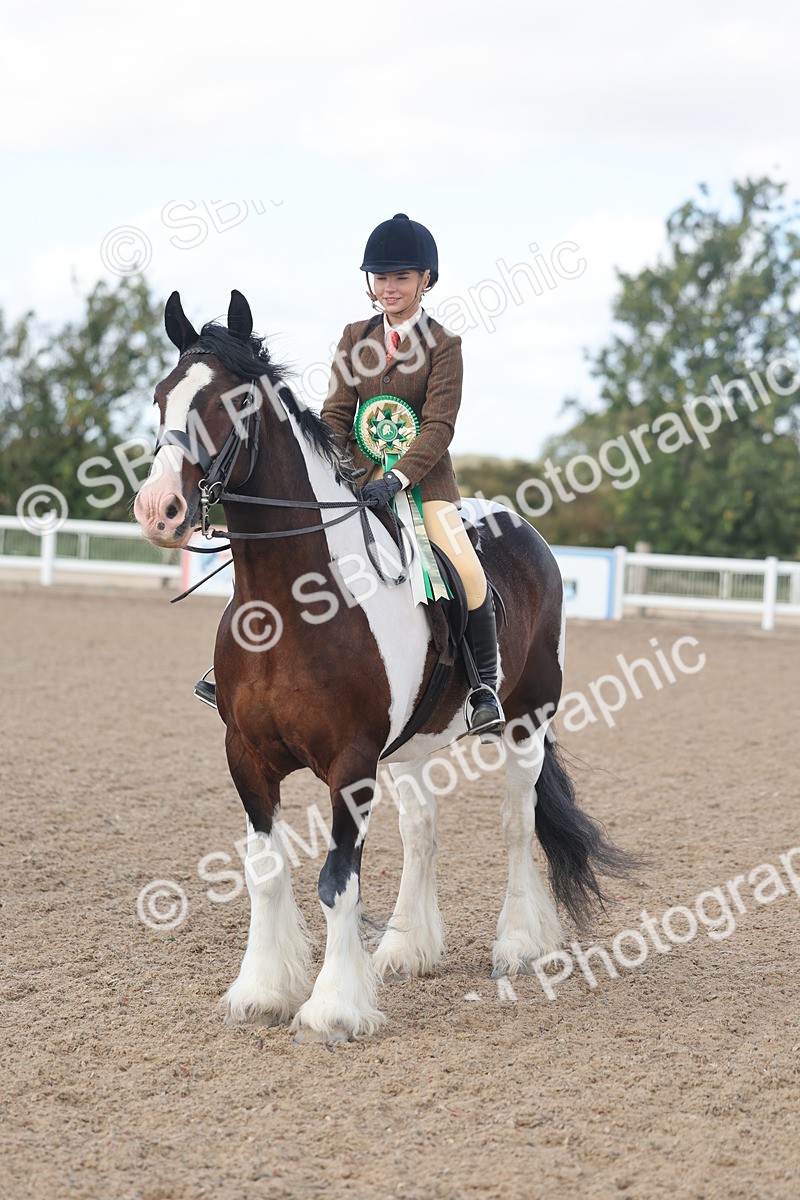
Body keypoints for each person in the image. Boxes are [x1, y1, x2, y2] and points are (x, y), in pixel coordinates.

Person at [322, 213, 504, 737]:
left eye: (401, 277)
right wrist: (339, 470)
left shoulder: (445, 345)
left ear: (426, 279)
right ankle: (239, 668)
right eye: (381, 278)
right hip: (355, 482)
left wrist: (397, 479)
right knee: (294, 553)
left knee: (467, 571)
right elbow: (335, 414)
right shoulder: (354, 337)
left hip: (423, 487)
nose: (389, 288)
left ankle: (482, 688)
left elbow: (439, 426)